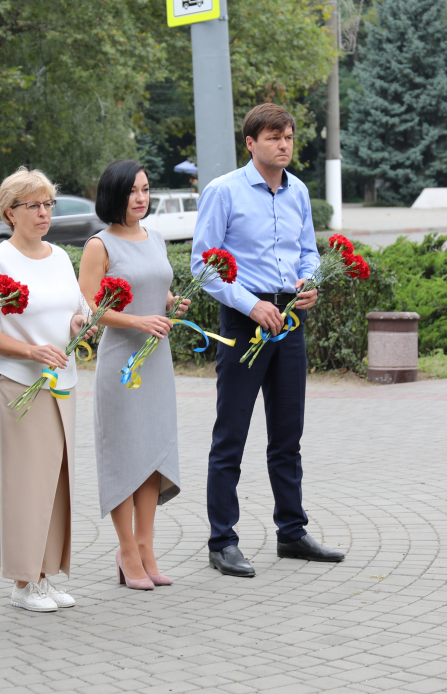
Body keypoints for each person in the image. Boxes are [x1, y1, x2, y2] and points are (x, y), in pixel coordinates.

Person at [191, 103, 346, 578]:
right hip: (245, 320)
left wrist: (310, 282)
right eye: (274, 136)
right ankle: (223, 541)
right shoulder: (224, 192)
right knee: (231, 434)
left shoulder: (298, 191)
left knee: (287, 435)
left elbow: (307, 252)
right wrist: (249, 304)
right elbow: (202, 265)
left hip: (290, 320)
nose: (284, 144)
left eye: (290, 136)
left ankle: (292, 533)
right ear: (251, 143)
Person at [0, 167, 94, 612]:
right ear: (9, 213)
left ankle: (47, 572)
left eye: (48, 204)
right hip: (18, 383)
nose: (43, 213)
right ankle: (25, 582)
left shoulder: (59, 256)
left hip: (63, 382)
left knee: (58, 482)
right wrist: (30, 351)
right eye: (33, 205)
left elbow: (77, 310)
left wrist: (80, 324)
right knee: (26, 484)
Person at [78, 160, 187, 590]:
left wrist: (172, 306)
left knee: (152, 456)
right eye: (132, 191)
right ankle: (126, 550)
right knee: (125, 454)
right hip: (122, 364)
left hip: (157, 362)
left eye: (145, 190)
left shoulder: (155, 237)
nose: (141, 198)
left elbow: (157, 290)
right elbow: (90, 310)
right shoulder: (99, 245)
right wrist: (140, 321)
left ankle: (146, 547)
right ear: (114, 195)